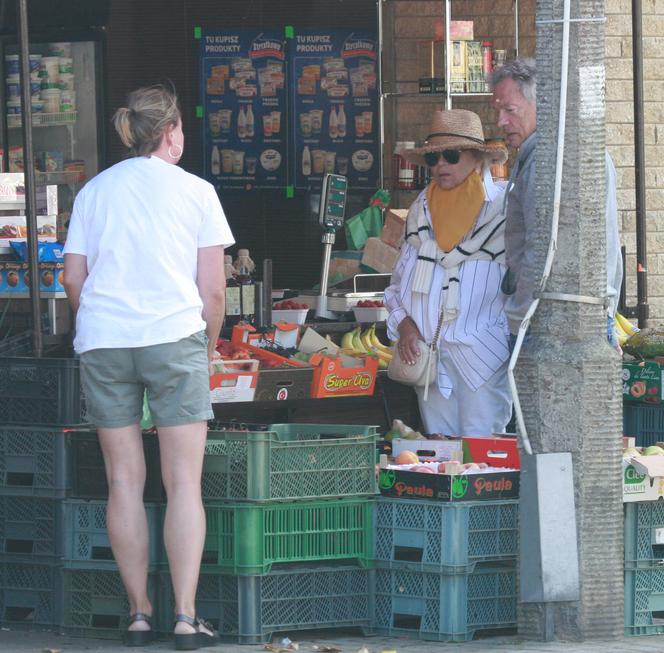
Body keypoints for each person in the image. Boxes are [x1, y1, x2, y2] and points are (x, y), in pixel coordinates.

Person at [63, 84, 234, 650]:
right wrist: (207, 346)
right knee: (183, 481)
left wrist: (98, 325)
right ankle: (185, 617)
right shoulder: (198, 192)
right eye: (181, 127)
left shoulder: (94, 192)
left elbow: (71, 278)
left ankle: (138, 615)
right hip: (173, 336)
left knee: (123, 482)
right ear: (170, 133)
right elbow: (213, 291)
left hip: (105, 342)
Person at [384, 109, 512, 436]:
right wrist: (407, 326)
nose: (441, 165)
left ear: (476, 158)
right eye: (434, 158)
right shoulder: (420, 210)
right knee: (440, 456)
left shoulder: (504, 208)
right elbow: (396, 287)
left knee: (483, 458)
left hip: (481, 359)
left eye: (451, 156)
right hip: (430, 362)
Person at [491, 57, 623, 347]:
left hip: (549, 328)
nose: (501, 121)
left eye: (510, 110)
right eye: (498, 110)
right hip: (582, 319)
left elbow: (541, 251)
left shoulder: (549, 159)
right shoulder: (575, 146)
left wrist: (519, 316)